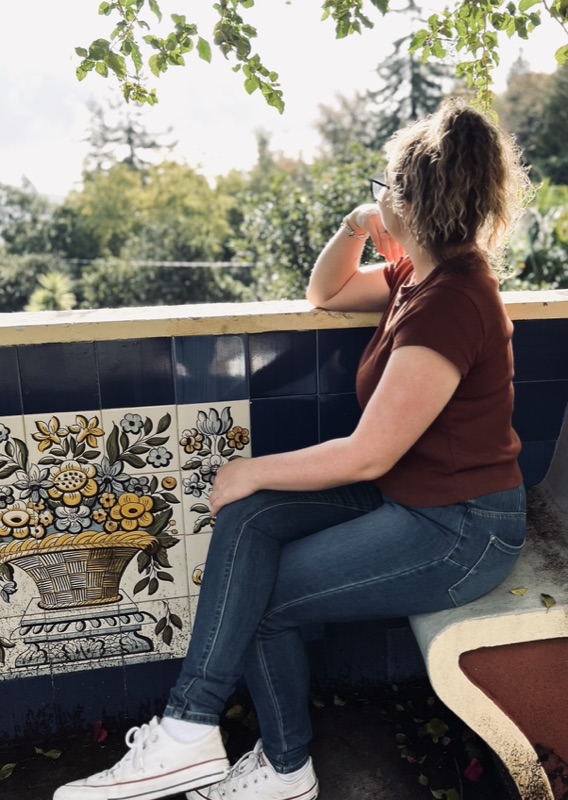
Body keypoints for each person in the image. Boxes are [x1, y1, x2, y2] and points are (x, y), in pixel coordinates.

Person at [53, 99, 530, 800]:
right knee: (250, 522)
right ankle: (194, 735)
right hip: (414, 491)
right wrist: (357, 224)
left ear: (411, 199)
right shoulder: (419, 276)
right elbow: (326, 291)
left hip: (460, 528)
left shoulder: (454, 301)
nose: (375, 205)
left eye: (382, 191)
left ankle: (272, 763)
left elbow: (366, 455)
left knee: (261, 594)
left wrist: (246, 468)